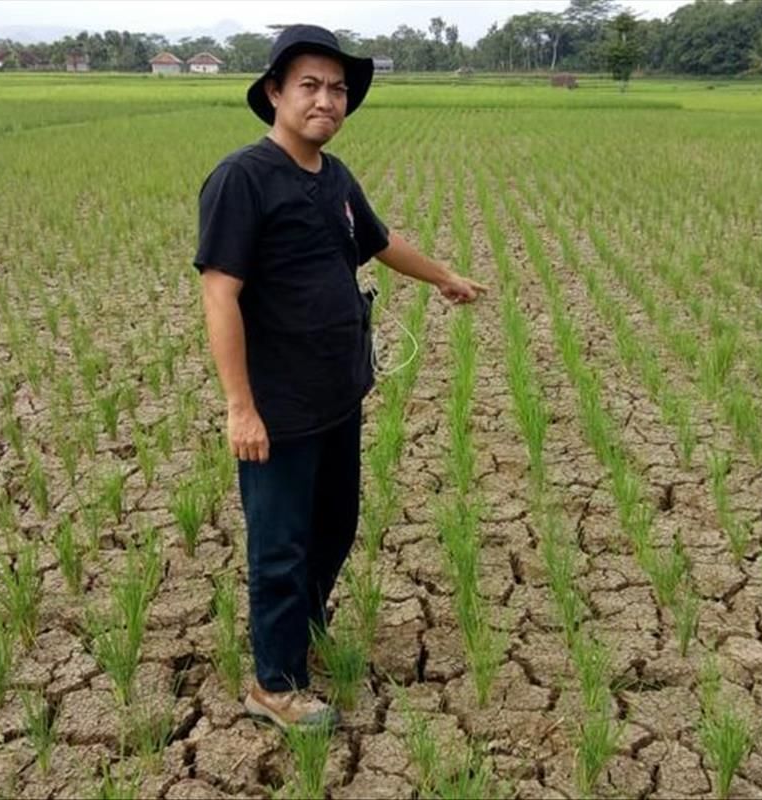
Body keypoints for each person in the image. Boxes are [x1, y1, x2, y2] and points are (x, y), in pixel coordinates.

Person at [193, 25, 487, 731]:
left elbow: (379, 244)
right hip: (279, 405)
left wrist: (443, 276)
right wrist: (241, 407)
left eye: (338, 88)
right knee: (280, 543)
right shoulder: (243, 178)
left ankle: (304, 627)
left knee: (334, 526)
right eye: (310, 86)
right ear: (274, 94)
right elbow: (219, 293)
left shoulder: (336, 178)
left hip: (337, 393)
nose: (327, 99)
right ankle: (275, 683)